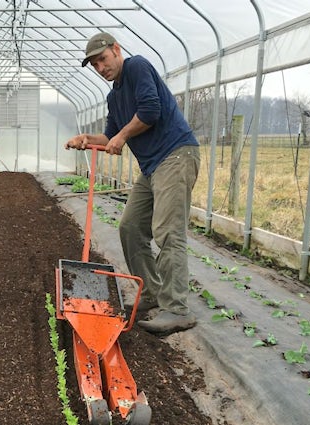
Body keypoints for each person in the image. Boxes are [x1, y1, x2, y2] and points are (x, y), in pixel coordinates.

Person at [65, 32, 200, 335]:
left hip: (175, 155)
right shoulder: (114, 96)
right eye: (95, 65)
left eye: (103, 59)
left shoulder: (137, 67)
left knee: (167, 231)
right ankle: (152, 294)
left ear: (116, 50)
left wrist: (123, 136)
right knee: (130, 227)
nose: (101, 68)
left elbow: (150, 112)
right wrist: (88, 140)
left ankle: (176, 308)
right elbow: (111, 134)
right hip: (152, 166)